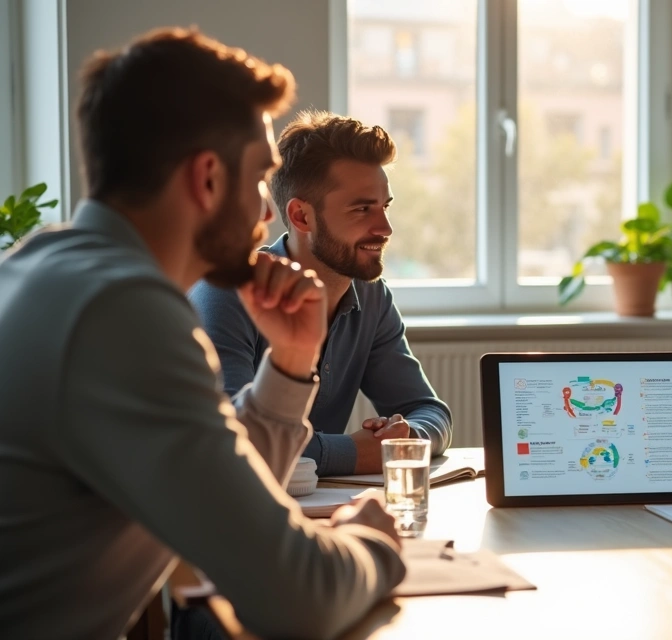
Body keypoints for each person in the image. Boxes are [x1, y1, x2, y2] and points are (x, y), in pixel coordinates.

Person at [0, 28, 406, 638]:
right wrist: (373, 544)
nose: (268, 213)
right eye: (260, 178)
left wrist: (292, 363)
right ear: (208, 179)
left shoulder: (45, 265)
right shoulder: (121, 312)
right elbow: (301, 599)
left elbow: (220, 487)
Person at [190, 110, 452, 476]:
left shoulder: (371, 297)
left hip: (319, 505)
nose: (386, 228)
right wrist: (352, 453)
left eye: (384, 207)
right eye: (362, 209)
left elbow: (430, 411)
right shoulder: (226, 294)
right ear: (301, 217)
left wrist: (405, 437)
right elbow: (232, 438)